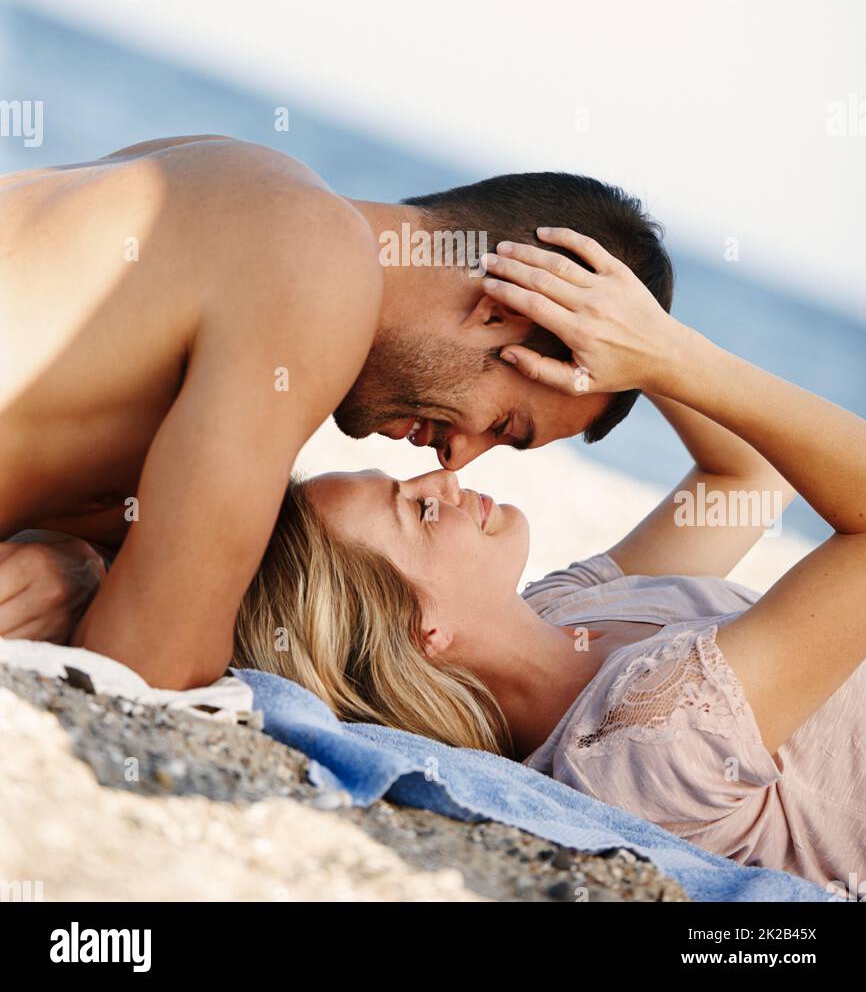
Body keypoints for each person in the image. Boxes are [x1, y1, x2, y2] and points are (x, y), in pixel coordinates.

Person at [231, 230, 866, 889]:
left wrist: (624, 341)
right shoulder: (649, 733)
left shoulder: (566, 612)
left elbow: (745, 481)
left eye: (408, 482)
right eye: (417, 511)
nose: (440, 480)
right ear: (425, 632)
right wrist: (674, 358)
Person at [0, 136, 671, 685]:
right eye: (501, 425)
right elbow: (148, 663)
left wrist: (76, 563)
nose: (457, 459)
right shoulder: (318, 264)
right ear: (499, 309)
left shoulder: (224, 174)